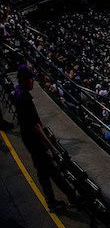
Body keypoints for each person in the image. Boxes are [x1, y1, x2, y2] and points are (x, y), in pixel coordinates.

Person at [14, 63, 75, 212]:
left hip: (28, 139)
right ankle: (71, 197)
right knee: (51, 170)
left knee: (43, 172)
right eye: (30, 79)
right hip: (34, 140)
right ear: (23, 79)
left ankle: (53, 201)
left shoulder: (17, 92)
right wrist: (51, 146)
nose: (33, 81)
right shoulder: (25, 98)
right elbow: (36, 126)